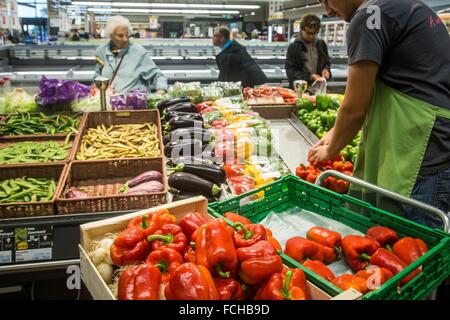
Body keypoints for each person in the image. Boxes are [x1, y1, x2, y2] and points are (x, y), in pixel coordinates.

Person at [308, 0, 450, 229]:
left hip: (417, 148)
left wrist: (331, 150)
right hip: (435, 142)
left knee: (412, 249)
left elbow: (354, 108)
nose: (327, 10)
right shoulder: (405, 6)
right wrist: (335, 132)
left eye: (326, 0)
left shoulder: (368, 15)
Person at [94, 15, 167, 95]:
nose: (125, 39)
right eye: (120, 36)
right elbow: (98, 76)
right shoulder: (101, 52)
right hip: (109, 104)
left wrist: (161, 90)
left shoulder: (139, 53)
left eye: (127, 35)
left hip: (134, 104)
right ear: (111, 35)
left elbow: (158, 75)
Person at [285, 14, 331, 89]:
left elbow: (327, 62)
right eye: (308, 33)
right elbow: (290, 72)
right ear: (302, 29)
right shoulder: (294, 46)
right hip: (299, 89)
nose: (311, 36)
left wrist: (326, 69)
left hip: (318, 88)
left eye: (314, 33)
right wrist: (310, 76)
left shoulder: (321, 44)